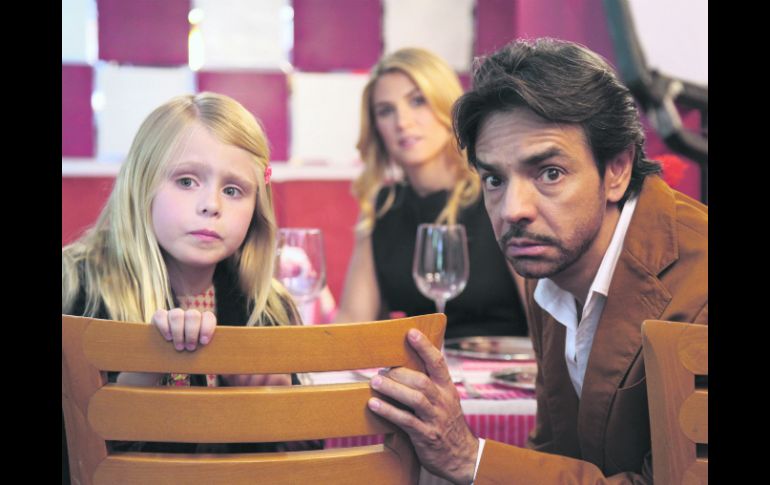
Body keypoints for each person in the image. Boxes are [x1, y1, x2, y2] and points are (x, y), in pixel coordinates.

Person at [365, 38, 708, 484]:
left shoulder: (699, 287)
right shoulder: (549, 269)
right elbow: (555, 454)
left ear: (617, 170)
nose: (513, 210)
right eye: (494, 179)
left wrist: (469, 458)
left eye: (550, 173)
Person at [62, 92, 301, 456]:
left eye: (233, 190)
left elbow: (307, 452)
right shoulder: (75, 284)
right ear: (142, 183)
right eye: (187, 181)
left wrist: (279, 408)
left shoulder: (270, 306)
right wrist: (138, 380)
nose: (211, 205)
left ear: (257, 206)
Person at [335, 47, 528, 339]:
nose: (403, 122)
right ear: (376, 128)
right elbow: (352, 320)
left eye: (417, 101)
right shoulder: (383, 207)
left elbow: (546, 323)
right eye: (386, 111)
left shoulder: (497, 192)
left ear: (447, 104)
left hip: (505, 362)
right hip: (421, 363)